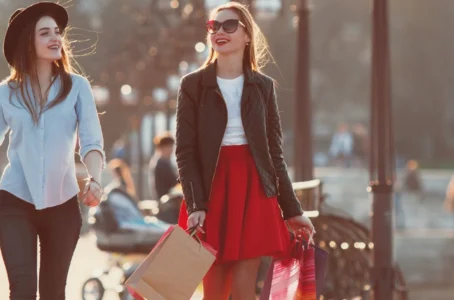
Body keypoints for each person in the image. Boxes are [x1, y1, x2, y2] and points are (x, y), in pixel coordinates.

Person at [175, 2, 314, 299]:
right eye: (214, 26)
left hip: (253, 190)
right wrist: (196, 203)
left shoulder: (262, 87)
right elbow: (185, 152)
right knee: (214, 290)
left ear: (247, 35)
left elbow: (274, 154)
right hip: (210, 192)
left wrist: (293, 210)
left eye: (229, 26)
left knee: (242, 288)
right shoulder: (193, 85)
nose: (219, 32)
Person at [0, 3, 105, 299]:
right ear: (28, 43)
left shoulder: (77, 88)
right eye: (44, 33)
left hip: (63, 204)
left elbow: (92, 141)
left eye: (57, 32)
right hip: (14, 201)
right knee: (21, 290)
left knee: (53, 292)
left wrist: (95, 180)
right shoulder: (6, 93)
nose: (55, 38)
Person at [148, 132, 178, 199]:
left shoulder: (159, 161)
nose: (172, 150)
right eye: (170, 147)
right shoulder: (161, 163)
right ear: (163, 147)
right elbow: (174, 181)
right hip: (165, 201)